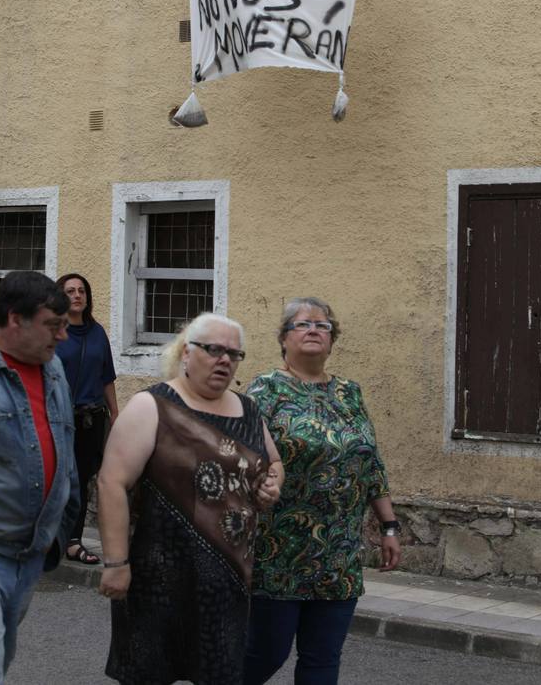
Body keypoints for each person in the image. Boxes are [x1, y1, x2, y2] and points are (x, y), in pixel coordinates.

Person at [98, 312, 283, 685]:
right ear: (186, 352)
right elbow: (111, 483)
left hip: (227, 583)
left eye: (234, 353)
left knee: (220, 675)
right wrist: (116, 562)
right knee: (149, 675)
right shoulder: (151, 406)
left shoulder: (248, 411)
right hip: (158, 580)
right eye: (213, 349)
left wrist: (272, 484)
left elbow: (273, 461)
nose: (225, 360)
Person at [243, 297, 401, 685]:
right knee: (266, 653)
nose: (314, 329)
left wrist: (389, 525)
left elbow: (371, 462)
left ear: (332, 341)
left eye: (323, 325)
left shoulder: (350, 393)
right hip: (279, 551)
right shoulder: (265, 390)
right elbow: (244, 459)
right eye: (303, 324)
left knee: (323, 658)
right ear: (283, 339)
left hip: (338, 554)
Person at [0, 270, 80, 682]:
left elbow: (66, 454)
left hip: (29, 555)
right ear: (15, 318)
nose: (62, 337)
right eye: (53, 326)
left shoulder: (53, 371)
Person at [55, 273, 118, 565]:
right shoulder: (53, 332)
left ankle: (73, 541)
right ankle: (46, 539)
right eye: (70, 291)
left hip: (91, 419)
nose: (77, 295)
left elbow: (107, 377)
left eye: (81, 291)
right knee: (55, 479)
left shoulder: (97, 332)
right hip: (58, 420)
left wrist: (115, 413)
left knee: (81, 480)